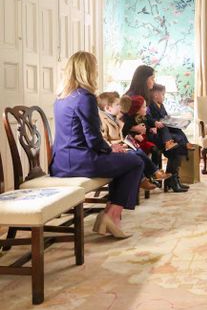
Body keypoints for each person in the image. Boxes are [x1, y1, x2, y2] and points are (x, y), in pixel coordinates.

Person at [50, 52, 144, 239]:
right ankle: (112, 216)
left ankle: (108, 214)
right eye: (95, 68)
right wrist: (110, 148)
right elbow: (93, 138)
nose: (97, 72)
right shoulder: (85, 97)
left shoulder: (61, 97)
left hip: (60, 162)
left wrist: (110, 150)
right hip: (78, 162)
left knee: (124, 160)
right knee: (135, 162)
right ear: (88, 71)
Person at [126, 65, 188, 191]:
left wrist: (152, 126)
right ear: (144, 79)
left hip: (150, 132)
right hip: (138, 137)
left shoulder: (146, 96)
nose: (153, 82)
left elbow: (147, 118)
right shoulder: (130, 97)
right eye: (152, 78)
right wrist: (134, 128)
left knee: (178, 142)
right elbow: (122, 122)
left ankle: (172, 180)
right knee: (177, 145)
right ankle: (171, 181)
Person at [98, 91, 171, 191]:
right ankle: (143, 179)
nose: (120, 107)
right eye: (117, 104)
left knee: (138, 151)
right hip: (113, 151)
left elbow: (122, 135)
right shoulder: (102, 120)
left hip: (122, 146)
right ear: (108, 108)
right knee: (134, 155)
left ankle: (154, 173)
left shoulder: (115, 118)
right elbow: (103, 139)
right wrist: (114, 145)